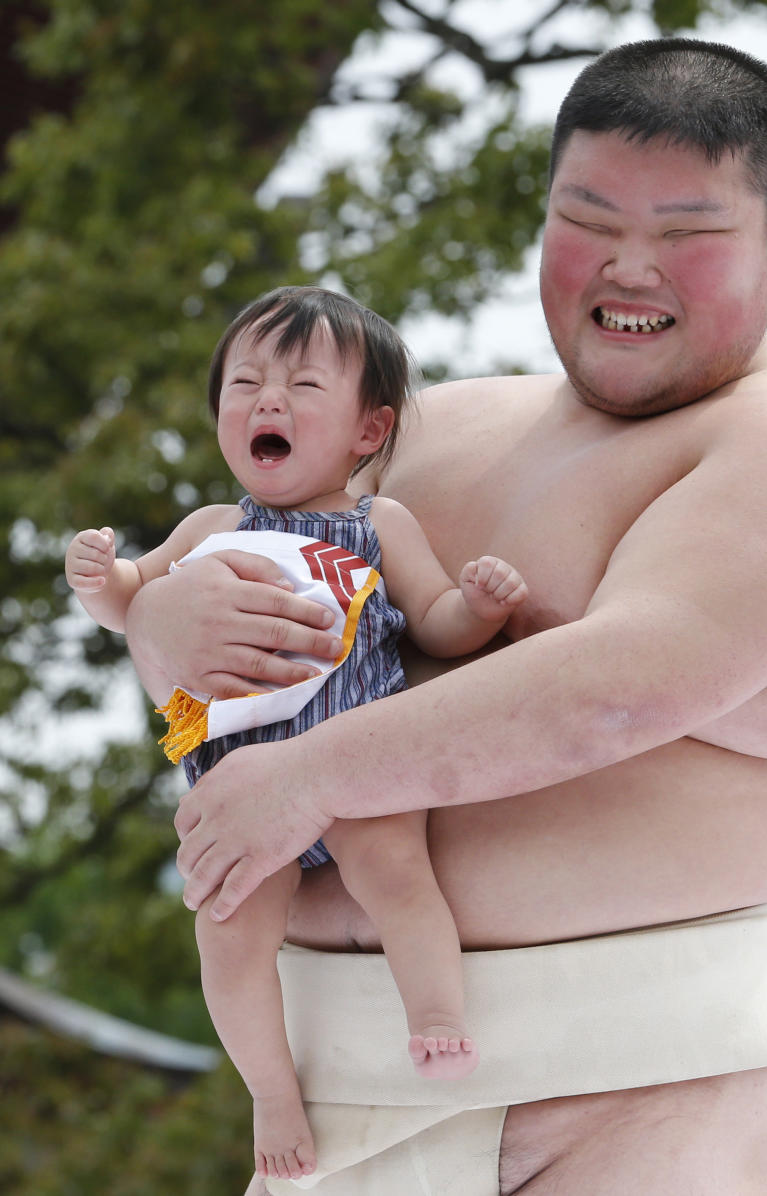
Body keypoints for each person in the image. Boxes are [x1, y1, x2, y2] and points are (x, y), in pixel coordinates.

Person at [123, 38, 767, 1196]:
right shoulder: (428, 427)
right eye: (589, 219)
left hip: (622, 1106)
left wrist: (308, 779)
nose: (630, 270)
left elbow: (608, 693)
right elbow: (255, 659)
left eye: (688, 235)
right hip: (322, 1099)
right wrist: (159, 629)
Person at [64, 286, 528, 1184]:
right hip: (239, 777)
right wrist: (101, 581)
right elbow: (133, 607)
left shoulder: (377, 524)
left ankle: (436, 1014)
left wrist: (478, 606)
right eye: (246, 383)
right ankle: (270, 1091)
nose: (267, 401)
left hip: (356, 763)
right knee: (228, 933)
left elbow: (431, 623)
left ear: (368, 431)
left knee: (400, 876)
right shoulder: (209, 528)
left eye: (303, 386)